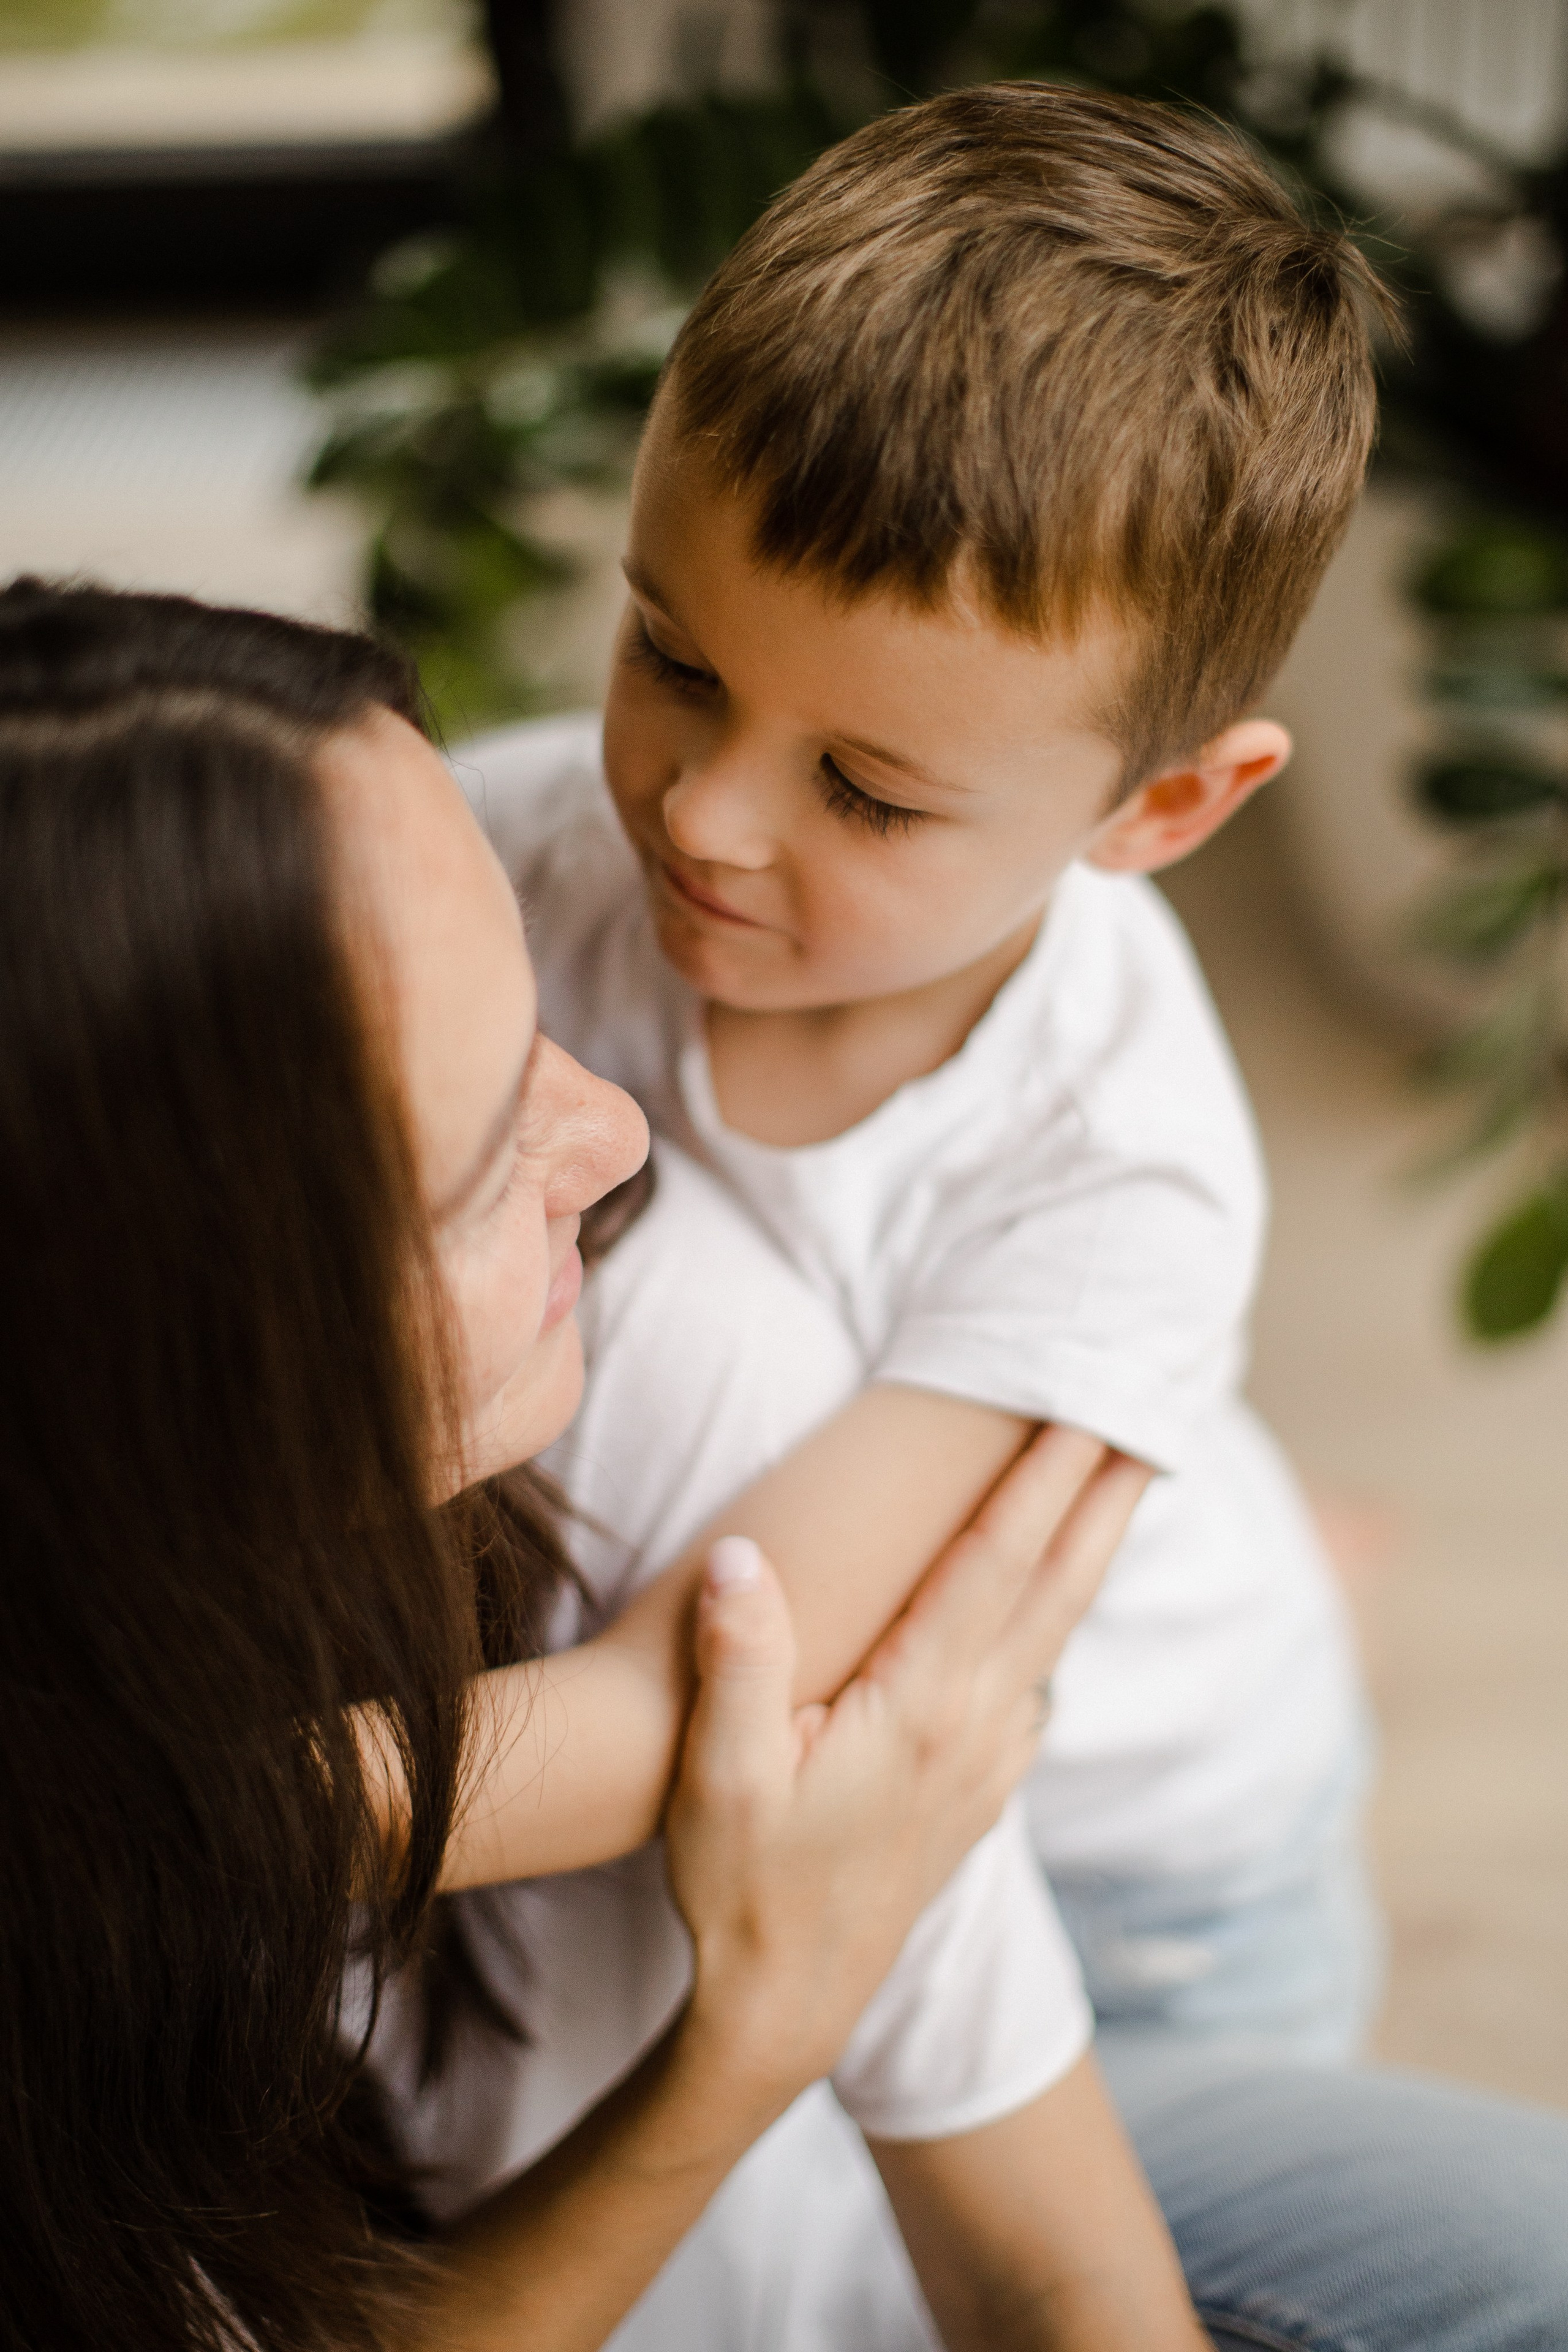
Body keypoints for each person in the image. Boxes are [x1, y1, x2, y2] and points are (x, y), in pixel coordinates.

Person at [377, 82, 1568, 2350]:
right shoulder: (506, 853)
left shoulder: (1122, 1159)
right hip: (805, 1643)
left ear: (1167, 808)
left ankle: (1265, 1590)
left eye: (866, 789)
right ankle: (1267, 1525)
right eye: (671, 657)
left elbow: (697, 1701)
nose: (700, 818)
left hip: (1134, 1885)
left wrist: (209, 1810)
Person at [0, 575, 1188, 2352]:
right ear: (161, 1365)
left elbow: (1056, 2267)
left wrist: (775, 2022)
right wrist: (749, 2040)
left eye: (539, 1009)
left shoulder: (675, 1354)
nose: (622, 1134)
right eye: (487, 1156)